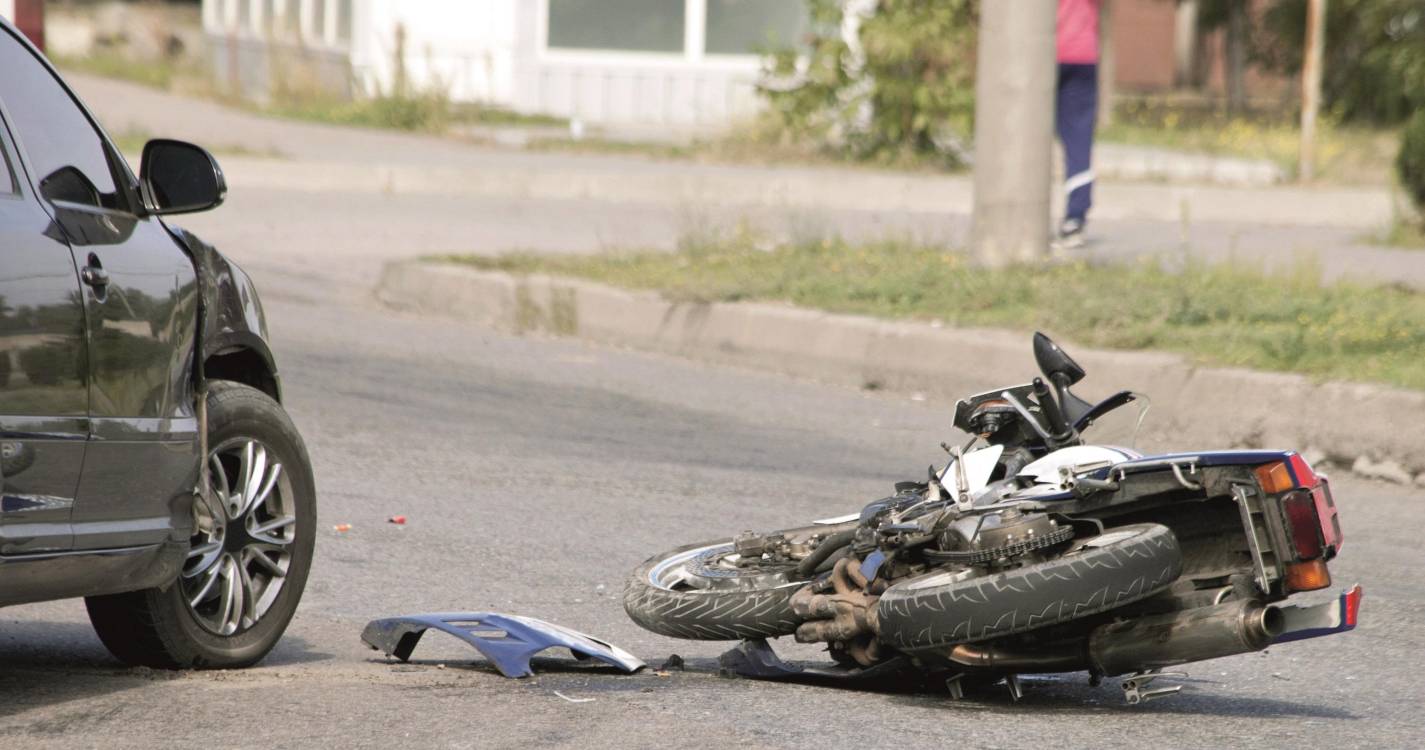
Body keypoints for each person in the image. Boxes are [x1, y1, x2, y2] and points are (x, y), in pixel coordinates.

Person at [1056, 0, 1100, 248]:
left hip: (1046, 52)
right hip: (1084, 54)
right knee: (1079, 139)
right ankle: (1075, 218)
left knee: (1027, 135)